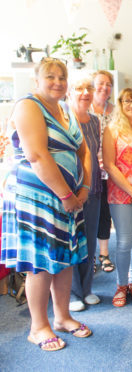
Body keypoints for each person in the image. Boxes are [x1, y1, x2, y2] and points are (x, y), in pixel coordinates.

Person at [1, 58, 92, 351]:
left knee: (63, 260)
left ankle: (63, 317)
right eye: (50, 76)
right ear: (36, 81)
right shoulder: (28, 106)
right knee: (40, 264)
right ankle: (38, 326)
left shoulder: (65, 110)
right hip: (38, 199)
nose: (57, 82)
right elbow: (37, 156)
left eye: (62, 77)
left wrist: (85, 188)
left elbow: (84, 151)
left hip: (68, 199)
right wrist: (67, 195)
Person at [103, 87, 132, 307]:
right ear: (120, 103)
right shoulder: (111, 130)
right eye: (128, 101)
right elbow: (109, 165)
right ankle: (121, 284)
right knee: (123, 241)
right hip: (120, 192)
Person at [67, 73, 103, 312]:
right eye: (79, 88)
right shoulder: (62, 120)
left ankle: (87, 289)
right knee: (71, 241)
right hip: (69, 189)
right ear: (69, 92)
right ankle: (72, 293)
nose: (85, 93)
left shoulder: (95, 121)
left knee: (89, 242)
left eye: (89, 88)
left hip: (94, 188)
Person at [90, 70, 115, 274]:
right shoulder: (83, 107)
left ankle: (104, 254)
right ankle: (88, 255)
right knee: (89, 212)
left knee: (105, 212)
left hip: (109, 168)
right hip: (88, 168)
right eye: (100, 83)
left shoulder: (114, 111)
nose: (104, 87)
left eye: (108, 84)